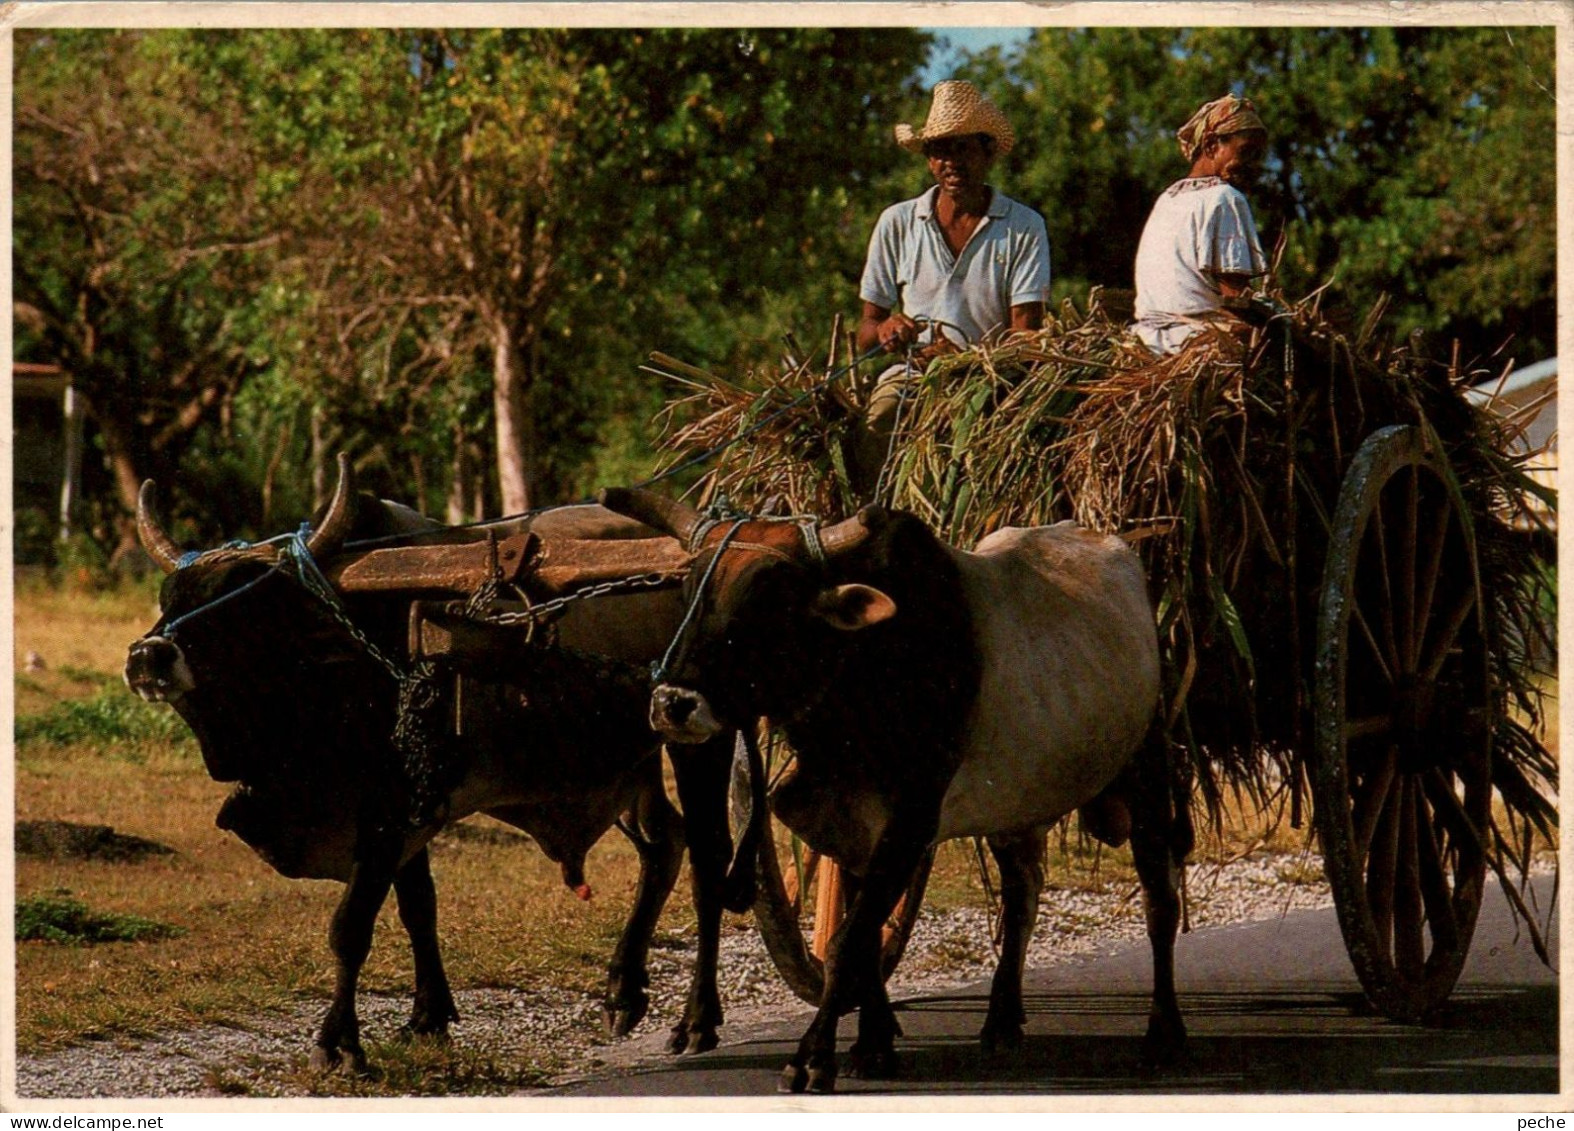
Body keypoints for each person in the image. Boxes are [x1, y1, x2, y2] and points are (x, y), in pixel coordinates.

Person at [851, 79, 1051, 496]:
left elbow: (1027, 335)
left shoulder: (1023, 226)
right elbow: (866, 332)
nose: (952, 162)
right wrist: (888, 330)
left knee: (1014, 458)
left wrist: (969, 361)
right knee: (879, 417)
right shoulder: (898, 222)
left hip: (991, 380)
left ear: (987, 153)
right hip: (912, 375)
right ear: (928, 160)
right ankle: (873, 513)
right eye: (941, 150)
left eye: (964, 149)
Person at [1131, 93, 1269, 355]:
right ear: (1211, 145)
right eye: (1246, 152)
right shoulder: (1225, 198)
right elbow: (1235, 299)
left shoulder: (1168, 198)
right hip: (1198, 341)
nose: (1254, 165)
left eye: (1258, 156)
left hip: (1150, 341)